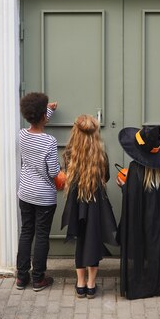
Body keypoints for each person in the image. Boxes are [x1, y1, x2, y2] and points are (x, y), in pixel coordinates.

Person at [61, 115, 118, 299]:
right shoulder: (101, 154)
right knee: (93, 239)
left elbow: (67, 173)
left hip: (77, 201)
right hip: (96, 202)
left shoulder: (70, 153)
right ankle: (92, 285)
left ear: (75, 132)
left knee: (81, 240)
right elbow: (107, 176)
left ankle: (80, 284)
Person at [116, 125, 160, 300]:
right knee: (154, 247)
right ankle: (155, 282)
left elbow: (132, 197)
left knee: (139, 246)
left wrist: (124, 186)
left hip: (140, 218)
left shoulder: (135, 168)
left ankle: (139, 283)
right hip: (157, 220)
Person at [15, 92, 59, 292]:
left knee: (26, 232)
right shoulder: (49, 141)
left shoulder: (22, 135)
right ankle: (38, 279)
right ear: (43, 116)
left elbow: (38, 121)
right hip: (44, 196)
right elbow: (53, 172)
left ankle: (21, 277)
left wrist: (48, 109)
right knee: (41, 236)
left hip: (25, 192)